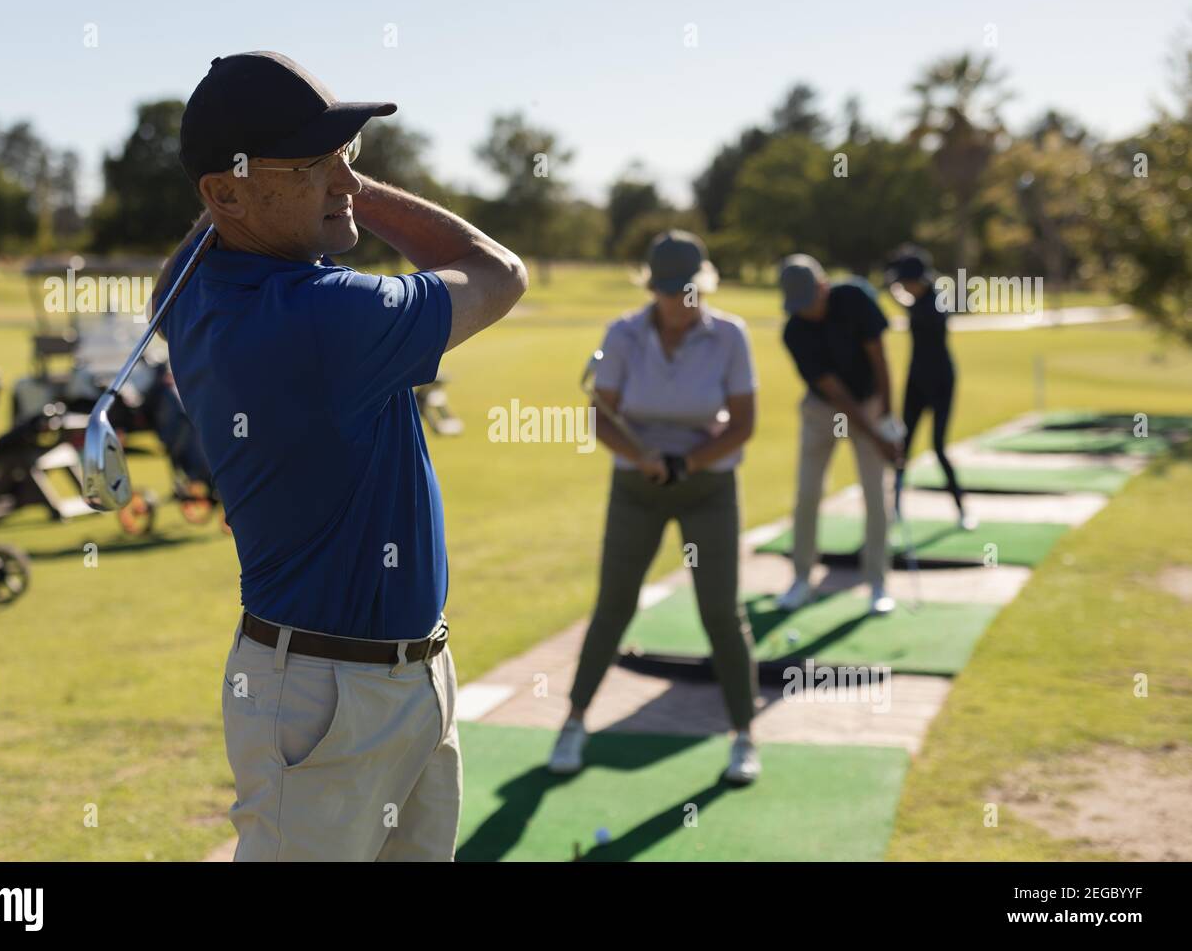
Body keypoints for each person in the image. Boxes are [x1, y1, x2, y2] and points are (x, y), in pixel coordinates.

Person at [157, 51, 527, 861]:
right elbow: (499, 273)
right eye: (316, 166)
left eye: (349, 161)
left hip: (394, 675)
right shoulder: (324, 317)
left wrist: (309, 173)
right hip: (327, 698)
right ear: (225, 193)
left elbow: (204, 234)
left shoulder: (192, 281)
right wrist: (352, 187)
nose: (349, 185)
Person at [547, 230, 760, 785]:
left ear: (702, 285)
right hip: (637, 487)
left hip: (709, 487)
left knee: (720, 611)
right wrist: (642, 456)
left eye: (686, 290)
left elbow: (743, 424)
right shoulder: (623, 333)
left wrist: (686, 463)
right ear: (652, 287)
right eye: (667, 291)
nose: (676, 302)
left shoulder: (731, 336)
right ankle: (573, 722)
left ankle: (743, 735)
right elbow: (601, 417)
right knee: (614, 604)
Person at [775, 254, 903, 615]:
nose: (805, 312)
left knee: (875, 494)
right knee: (807, 492)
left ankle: (877, 582)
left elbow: (880, 360)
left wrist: (889, 419)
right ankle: (802, 578)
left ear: (823, 287)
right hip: (823, 410)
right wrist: (879, 439)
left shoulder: (856, 299)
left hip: (870, 399)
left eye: (809, 302)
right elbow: (835, 393)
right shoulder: (794, 331)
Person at [885, 247, 976, 530]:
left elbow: (917, 310)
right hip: (915, 382)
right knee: (904, 446)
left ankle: (961, 508)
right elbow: (906, 302)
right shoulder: (919, 297)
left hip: (940, 382)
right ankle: (896, 509)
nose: (904, 286)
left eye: (906, 281)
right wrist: (895, 290)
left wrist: (895, 293)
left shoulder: (936, 302)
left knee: (938, 447)